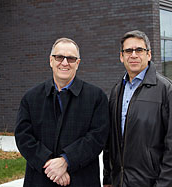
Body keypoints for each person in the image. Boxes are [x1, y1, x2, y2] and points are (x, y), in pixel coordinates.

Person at [15, 37, 109, 187]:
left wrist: (66, 160)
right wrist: (50, 165)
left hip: (81, 180)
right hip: (41, 179)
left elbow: (97, 137)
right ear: (51, 61)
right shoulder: (31, 97)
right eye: (59, 57)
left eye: (71, 58)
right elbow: (23, 136)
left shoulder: (96, 97)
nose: (65, 63)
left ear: (77, 63)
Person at [103, 30, 172, 187]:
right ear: (121, 56)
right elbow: (111, 142)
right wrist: (108, 179)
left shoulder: (167, 91)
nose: (133, 55)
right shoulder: (116, 91)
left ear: (148, 55)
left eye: (139, 50)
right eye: (128, 51)